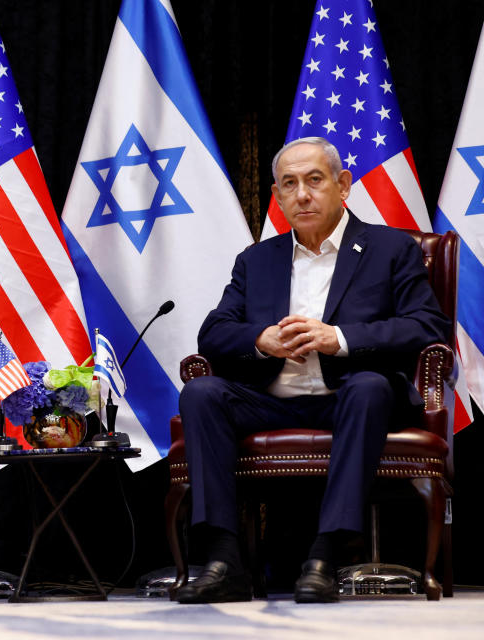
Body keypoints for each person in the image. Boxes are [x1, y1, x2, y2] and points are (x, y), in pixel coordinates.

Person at [174, 137, 450, 604]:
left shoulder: (390, 249)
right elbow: (214, 333)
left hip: (350, 399)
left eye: (314, 180)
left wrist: (337, 339)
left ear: (342, 186)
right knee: (201, 394)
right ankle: (223, 559)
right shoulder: (257, 260)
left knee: (368, 387)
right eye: (289, 184)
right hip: (270, 400)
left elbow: (426, 325)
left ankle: (325, 555)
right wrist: (261, 340)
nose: (302, 194)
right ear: (278, 197)